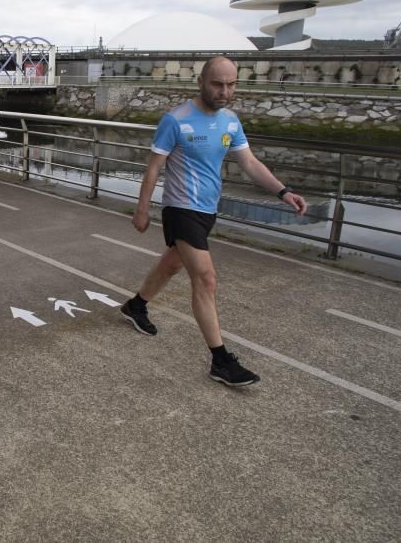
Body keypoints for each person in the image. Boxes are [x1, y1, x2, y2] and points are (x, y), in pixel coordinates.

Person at [121, 56, 307, 387]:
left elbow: (248, 162)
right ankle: (221, 361)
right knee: (205, 279)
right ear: (201, 82)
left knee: (172, 266)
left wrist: (283, 191)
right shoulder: (175, 120)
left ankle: (136, 306)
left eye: (231, 84)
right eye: (217, 84)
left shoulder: (231, 122)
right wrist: (142, 208)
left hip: (207, 210)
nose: (224, 91)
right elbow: (153, 167)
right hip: (180, 209)